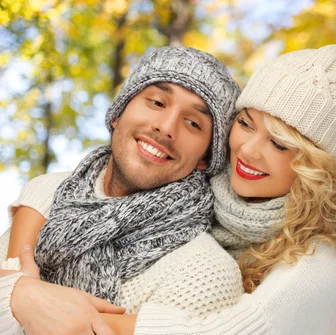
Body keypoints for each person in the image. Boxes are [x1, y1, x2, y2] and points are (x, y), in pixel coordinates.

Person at [1, 31, 336, 335]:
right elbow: (60, 187)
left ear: (315, 168)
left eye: (280, 143)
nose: (248, 151)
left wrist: (53, 307)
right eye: (246, 124)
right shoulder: (207, 193)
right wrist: (23, 283)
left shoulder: (320, 263)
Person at [0, 45, 243, 334]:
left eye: (193, 123)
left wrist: (20, 294)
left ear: (206, 157)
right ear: (118, 114)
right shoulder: (48, 194)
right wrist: (19, 294)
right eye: (156, 102)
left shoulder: (205, 273)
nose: (166, 127)